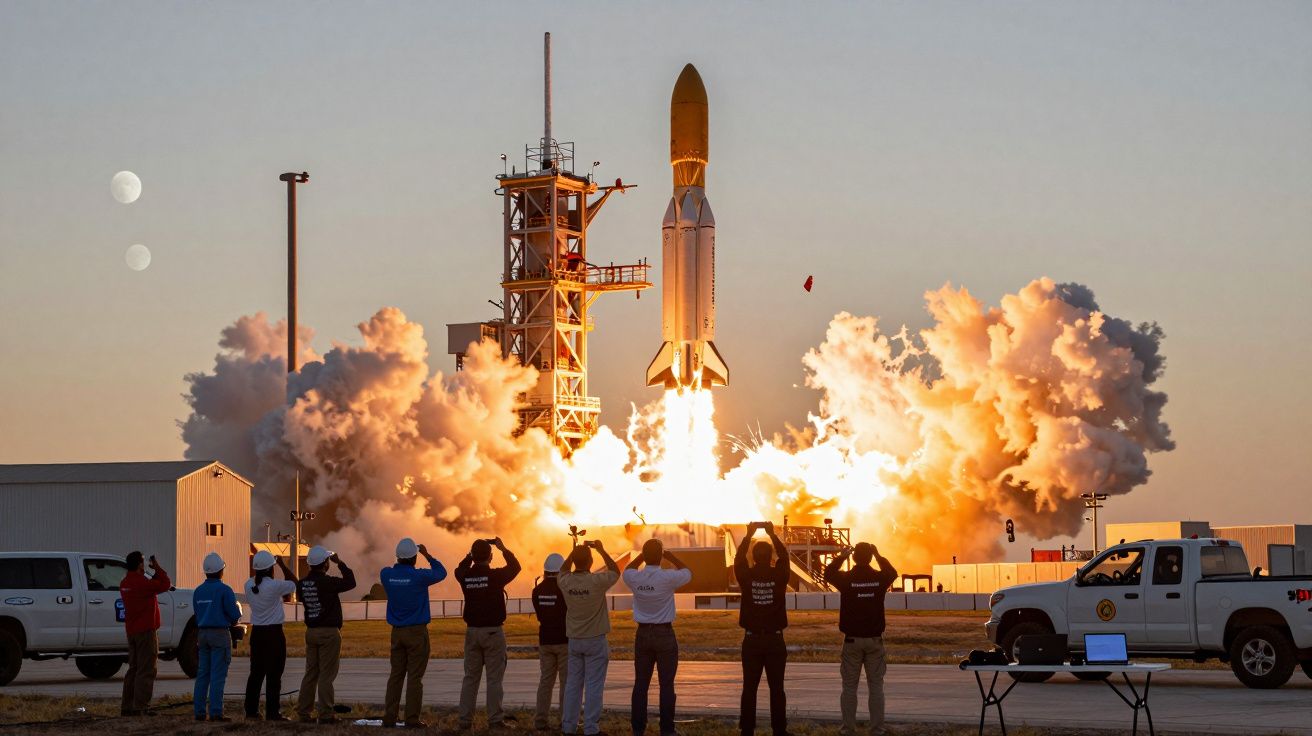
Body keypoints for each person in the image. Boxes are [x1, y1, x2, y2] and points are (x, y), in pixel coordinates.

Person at [825, 543, 898, 736]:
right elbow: (892, 572)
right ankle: (877, 729)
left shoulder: (847, 578)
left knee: (849, 687)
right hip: (874, 641)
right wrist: (878, 554)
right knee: (876, 687)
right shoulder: (879, 578)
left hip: (852, 641)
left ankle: (848, 729)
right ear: (870, 557)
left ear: (855, 558)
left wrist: (842, 556)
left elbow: (828, 573)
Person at [624, 539, 692, 736]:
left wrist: (641, 556)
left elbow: (627, 569)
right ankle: (667, 729)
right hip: (664, 634)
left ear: (644, 557)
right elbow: (687, 572)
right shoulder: (667, 578)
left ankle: (638, 729)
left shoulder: (635, 578)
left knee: (641, 684)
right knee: (667, 684)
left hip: (643, 634)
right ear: (660, 556)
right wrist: (670, 556)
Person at [380, 538, 448, 728]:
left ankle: (389, 717)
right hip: (417, 632)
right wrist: (428, 555)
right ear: (414, 558)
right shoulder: (419, 577)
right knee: (415, 678)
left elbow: (390, 571)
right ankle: (411, 719)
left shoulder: (386, 575)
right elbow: (441, 573)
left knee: (396, 675)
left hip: (397, 633)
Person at [456, 537, 522, 731]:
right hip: (493, 632)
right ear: (491, 557)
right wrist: (503, 548)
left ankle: (464, 720)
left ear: (473, 556)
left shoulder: (465, 576)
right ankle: (495, 720)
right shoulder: (496, 576)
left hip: (472, 632)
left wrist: (469, 555)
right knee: (494, 679)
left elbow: (458, 569)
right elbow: (516, 566)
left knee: (470, 678)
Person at [558, 540, 620, 736]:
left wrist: (573, 551)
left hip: (574, 639)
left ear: (574, 561)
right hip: (595, 639)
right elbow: (615, 570)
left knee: (572, 685)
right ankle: (591, 729)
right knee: (594, 686)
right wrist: (601, 549)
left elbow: (563, 569)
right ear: (591, 561)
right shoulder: (596, 581)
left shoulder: (565, 582)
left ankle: (568, 726)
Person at [735, 522, 791, 736]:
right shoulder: (779, 576)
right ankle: (779, 731)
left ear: (753, 557)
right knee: (777, 689)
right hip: (775, 640)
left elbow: (738, 560)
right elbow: (785, 559)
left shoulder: (746, 576)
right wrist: (772, 534)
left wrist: (748, 535)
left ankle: (747, 730)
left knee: (749, 688)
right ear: (771, 557)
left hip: (751, 641)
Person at [296, 545, 356, 724]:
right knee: (326, 676)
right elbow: (351, 582)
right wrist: (341, 563)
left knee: (310, 674)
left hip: (311, 632)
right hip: (329, 633)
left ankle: (304, 713)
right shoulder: (328, 582)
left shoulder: (302, 584)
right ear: (325, 564)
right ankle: (326, 714)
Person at [244, 551, 298, 721]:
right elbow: (295, 583)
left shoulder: (248, 584)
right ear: (270, 569)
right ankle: (272, 712)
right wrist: (282, 564)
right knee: (274, 675)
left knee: (256, 674)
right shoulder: (274, 586)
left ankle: (251, 711)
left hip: (257, 634)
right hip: (274, 634)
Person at [119, 551, 171, 717]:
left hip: (132, 631)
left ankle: (127, 706)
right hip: (146, 632)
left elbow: (155, 584)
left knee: (133, 668)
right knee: (147, 669)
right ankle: (140, 706)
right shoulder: (142, 583)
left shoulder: (125, 583)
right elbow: (165, 583)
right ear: (140, 565)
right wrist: (157, 567)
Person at [193, 552, 241, 722]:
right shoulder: (224, 590)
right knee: (218, 675)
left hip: (203, 634)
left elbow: (197, 614)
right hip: (220, 634)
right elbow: (235, 616)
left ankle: (199, 712)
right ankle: (215, 712)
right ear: (221, 570)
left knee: (202, 674)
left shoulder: (198, 591)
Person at [531, 553, 569, 732]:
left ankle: (540, 722)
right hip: (564, 641)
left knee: (546, 682)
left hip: (545, 640)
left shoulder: (537, 591)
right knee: (566, 683)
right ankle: (565, 721)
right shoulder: (565, 589)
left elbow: (540, 615)